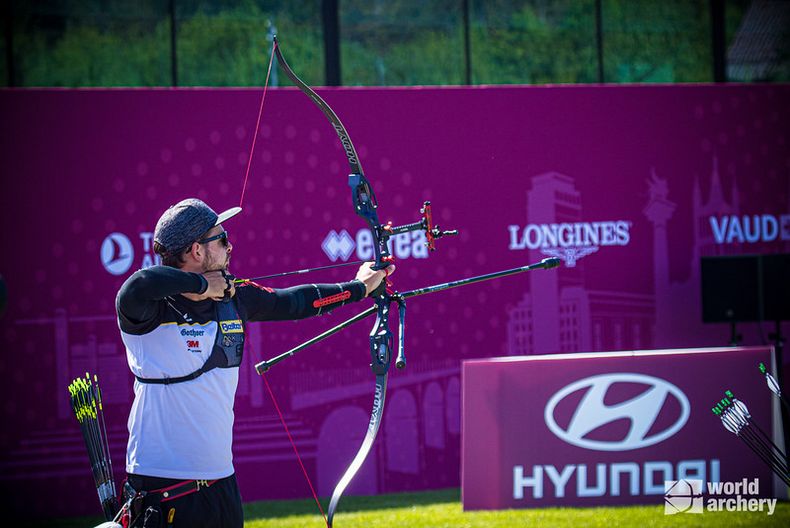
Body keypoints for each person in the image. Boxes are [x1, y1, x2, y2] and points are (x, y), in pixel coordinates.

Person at [115, 198, 393, 527]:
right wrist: (202, 286)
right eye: (222, 239)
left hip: (221, 483)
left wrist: (359, 288)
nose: (230, 246)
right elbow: (139, 285)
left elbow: (296, 302)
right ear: (197, 251)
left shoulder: (235, 297)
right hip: (163, 486)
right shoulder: (151, 310)